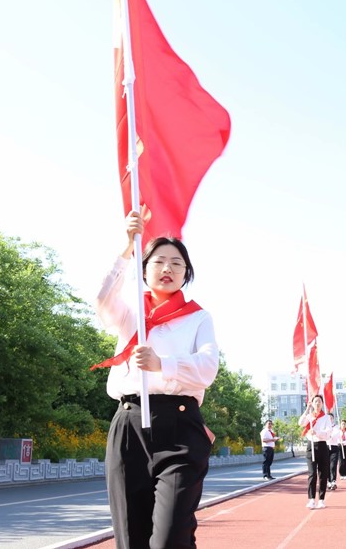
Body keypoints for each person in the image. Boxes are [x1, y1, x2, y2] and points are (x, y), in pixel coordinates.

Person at [95, 210, 219, 549]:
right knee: (131, 536)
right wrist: (126, 247)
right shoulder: (132, 313)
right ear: (144, 269)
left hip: (180, 428)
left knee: (169, 539)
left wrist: (161, 363)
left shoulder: (198, 318)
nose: (167, 269)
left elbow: (208, 367)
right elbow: (103, 300)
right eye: (159, 261)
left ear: (186, 274)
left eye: (176, 264)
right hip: (129, 424)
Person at [298, 394, 333, 509]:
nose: (317, 403)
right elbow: (301, 423)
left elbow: (328, 433)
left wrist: (317, 433)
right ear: (312, 404)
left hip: (322, 446)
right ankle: (311, 499)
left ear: (322, 404)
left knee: (323, 474)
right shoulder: (309, 416)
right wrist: (307, 409)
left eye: (319, 401)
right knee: (312, 474)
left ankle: (321, 500)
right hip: (311, 446)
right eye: (315, 401)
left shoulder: (326, 417)